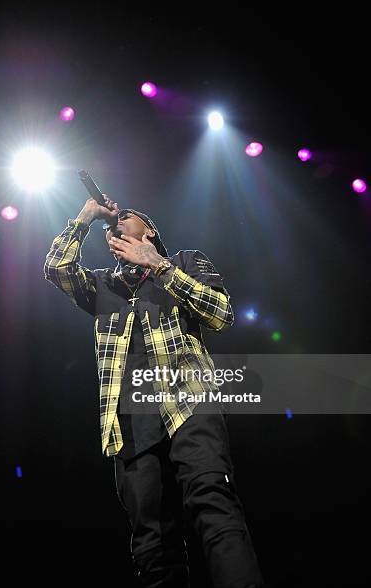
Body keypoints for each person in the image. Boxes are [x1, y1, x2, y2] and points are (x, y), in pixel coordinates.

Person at [43, 194, 264, 587]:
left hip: (189, 401)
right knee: (152, 543)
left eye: (126, 218)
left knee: (212, 501)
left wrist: (157, 264)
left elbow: (221, 314)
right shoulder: (101, 285)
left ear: (150, 232)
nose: (117, 223)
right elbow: (56, 267)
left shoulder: (183, 262)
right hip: (129, 423)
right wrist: (87, 216)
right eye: (112, 224)